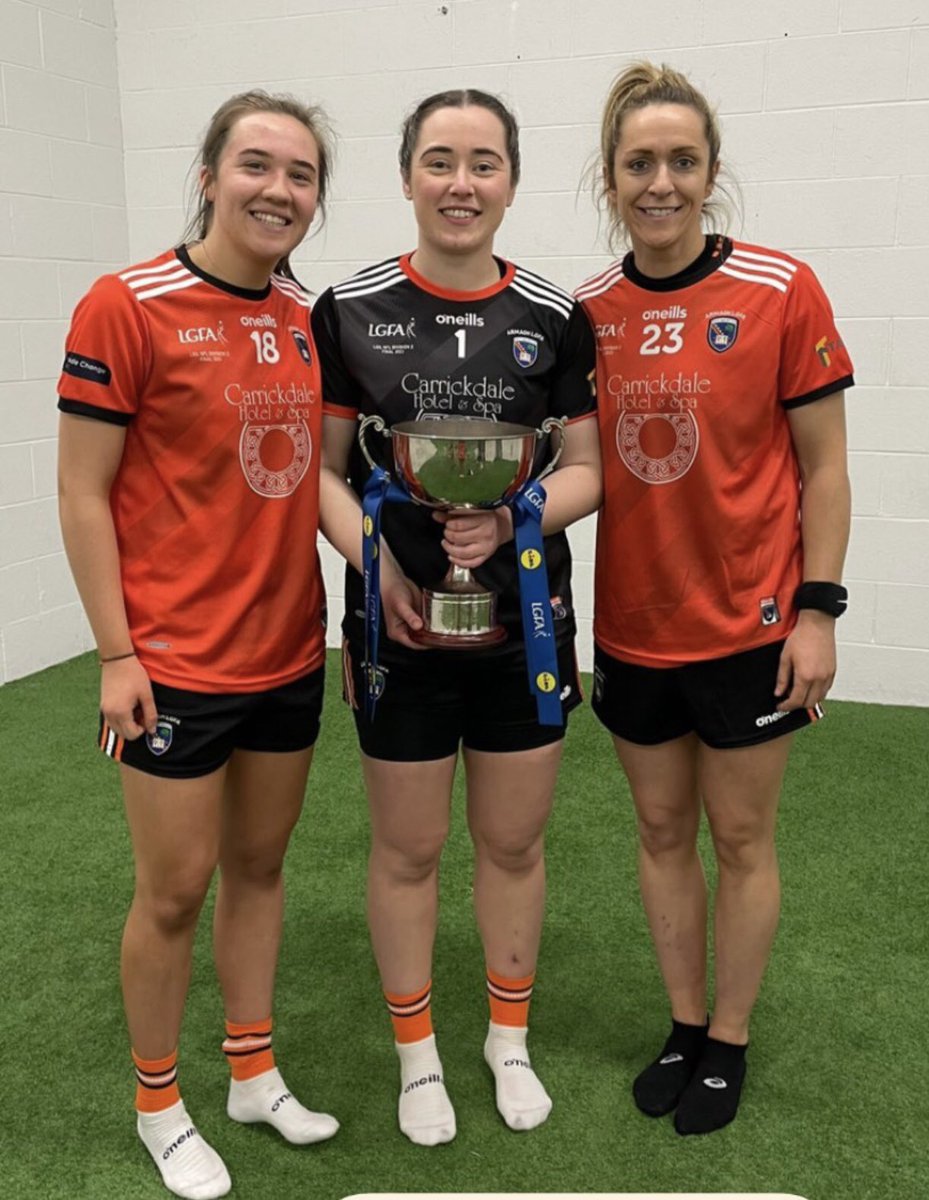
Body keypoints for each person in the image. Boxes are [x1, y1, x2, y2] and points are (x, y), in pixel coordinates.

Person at [57, 91, 340, 1200]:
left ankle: (251, 1071)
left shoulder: (304, 316)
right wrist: (115, 655)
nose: (279, 190)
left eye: (302, 174)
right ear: (210, 173)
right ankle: (158, 1102)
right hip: (171, 664)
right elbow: (84, 495)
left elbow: (309, 480)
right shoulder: (124, 304)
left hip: (288, 654)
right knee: (172, 892)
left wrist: (387, 573)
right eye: (257, 165)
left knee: (259, 869)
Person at [312, 88, 600, 1144]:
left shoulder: (555, 317)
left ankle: (505, 1039)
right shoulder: (346, 307)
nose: (460, 183)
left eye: (483, 163)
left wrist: (517, 516)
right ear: (405, 176)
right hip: (397, 631)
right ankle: (417, 1054)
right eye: (439, 160)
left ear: (511, 182)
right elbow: (320, 473)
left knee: (514, 845)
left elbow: (589, 466)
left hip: (523, 621)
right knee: (407, 849)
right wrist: (373, 551)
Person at [576, 62, 853, 1136]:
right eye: (638, 162)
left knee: (740, 838)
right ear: (609, 178)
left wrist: (817, 610)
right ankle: (682, 1022)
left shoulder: (780, 290)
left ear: (710, 172)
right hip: (632, 630)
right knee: (656, 830)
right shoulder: (589, 312)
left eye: (680, 161)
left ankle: (728, 1038)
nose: (659, 182)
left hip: (751, 625)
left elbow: (822, 466)